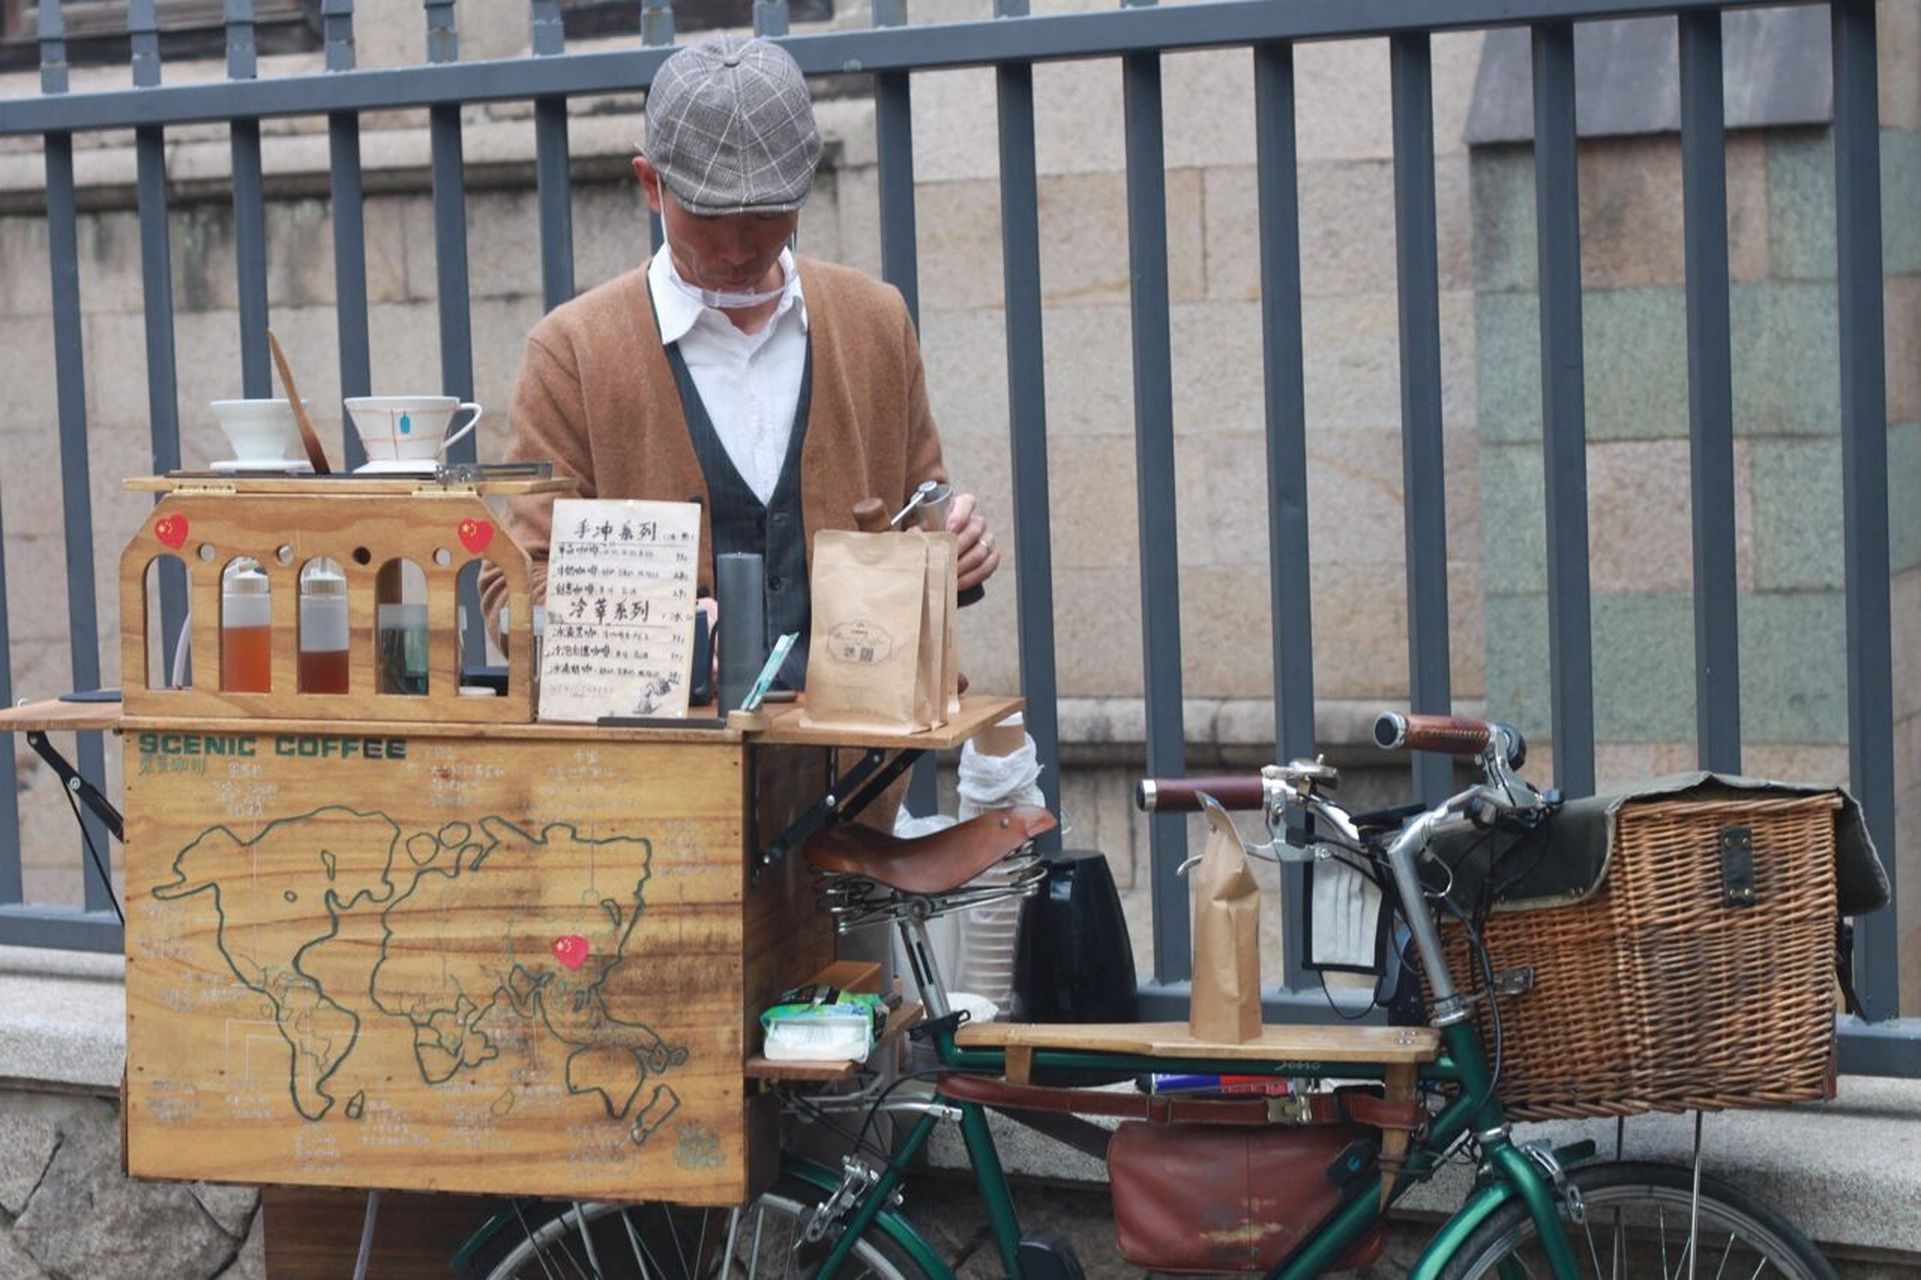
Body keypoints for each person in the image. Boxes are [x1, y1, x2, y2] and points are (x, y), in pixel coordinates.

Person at [487, 33, 999, 688]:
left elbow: (917, 524)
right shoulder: (572, 354)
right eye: (708, 215)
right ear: (651, 184)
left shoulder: (874, 322)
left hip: (860, 768)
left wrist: (948, 557)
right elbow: (515, 592)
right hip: (667, 775)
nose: (736, 248)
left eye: (764, 215)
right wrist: (663, 632)